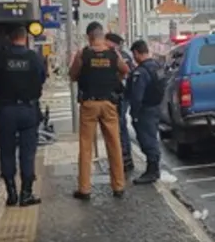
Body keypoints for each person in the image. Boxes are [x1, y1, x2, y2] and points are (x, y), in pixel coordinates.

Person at [69, 21, 129, 199]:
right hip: (109, 103)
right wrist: (114, 78)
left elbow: (72, 75)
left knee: (86, 146)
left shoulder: (83, 54)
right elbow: (125, 70)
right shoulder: (113, 53)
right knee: (114, 144)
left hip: (89, 104)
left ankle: (85, 189)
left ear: (89, 37)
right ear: (102, 36)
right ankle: (118, 186)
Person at [0, 24, 46, 207]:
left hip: (6, 110)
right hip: (28, 110)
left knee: (6, 152)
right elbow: (41, 78)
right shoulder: (35, 58)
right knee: (28, 153)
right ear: (26, 38)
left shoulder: (0, 57)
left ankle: (11, 193)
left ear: (10, 38)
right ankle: (26, 194)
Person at [127, 40, 164, 184]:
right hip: (156, 106)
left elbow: (137, 96)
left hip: (145, 110)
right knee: (152, 137)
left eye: (133, 54)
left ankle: (152, 170)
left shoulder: (140, 72)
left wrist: (134, 114)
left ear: (136, 53)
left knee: (147, 140)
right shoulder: (157, 66)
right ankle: (153, 168)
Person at [105, 32, 136, 173]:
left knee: (120, 125)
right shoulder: (118, 55)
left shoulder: (121, 56)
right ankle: (122, 157)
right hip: (117, 95)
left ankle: (125, 158)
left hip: (121, 95)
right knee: (118, 126)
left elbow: (125, 75)